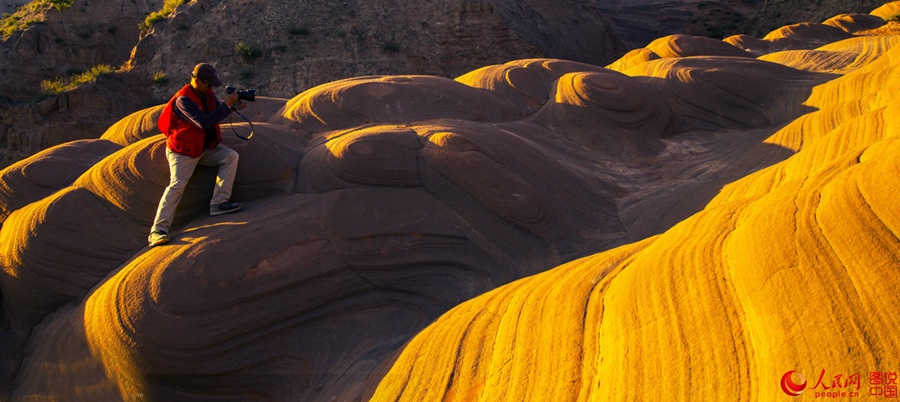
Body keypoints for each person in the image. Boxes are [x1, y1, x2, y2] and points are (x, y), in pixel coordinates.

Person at [148, 63, 246, 247]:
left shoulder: (206, 94)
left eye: (212, 85)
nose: (211, 88)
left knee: (230, 157)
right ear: (196, 80)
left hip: (205, 148)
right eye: (208, 84)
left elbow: (216, 111)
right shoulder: (183, 100)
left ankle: (219, 203)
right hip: (184, 152)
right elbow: (203, 122)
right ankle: (158, 230)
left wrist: (235, 106)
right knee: (177, 185)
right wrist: (226, 104)